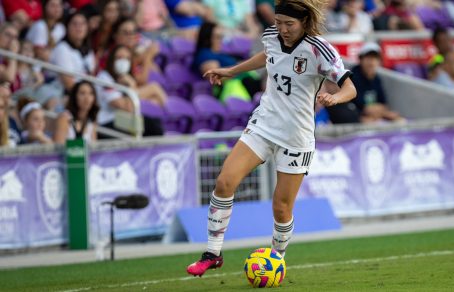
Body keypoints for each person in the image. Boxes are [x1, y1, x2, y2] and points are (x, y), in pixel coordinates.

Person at [186, 0, 357, 277]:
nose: (282, 29)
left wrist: (334, 97)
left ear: (304, 23)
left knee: (281, 208)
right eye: (278, 22)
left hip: (297, 136)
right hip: (264, 124)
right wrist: (231, 71)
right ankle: (212, 253)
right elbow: (267, 56)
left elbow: (350, 87)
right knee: (225, 180)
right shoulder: (271, 37)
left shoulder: (319, 49)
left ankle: (276, 260)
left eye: (289, 24)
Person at [96, 45, 164, 138]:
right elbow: (127, 108)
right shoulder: (104, 77)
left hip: (122, 119)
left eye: (127, 58)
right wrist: (131, 85)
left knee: (154, 123)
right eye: (119, 58)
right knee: (151, 127)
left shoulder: (126, 78)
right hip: (108, 121)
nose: (123, 62)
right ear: (112, 60)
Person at [348, 42, 402, 123]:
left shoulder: (377, 79)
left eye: (375, 58)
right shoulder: (352, 77)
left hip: (375, 118)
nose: (371, 62)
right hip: (356, 120)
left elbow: (384, 104)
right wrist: (379, 111)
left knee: (399, 120)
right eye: (368, 58)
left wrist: (382, 112)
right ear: (361, 59)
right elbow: (361, 107)